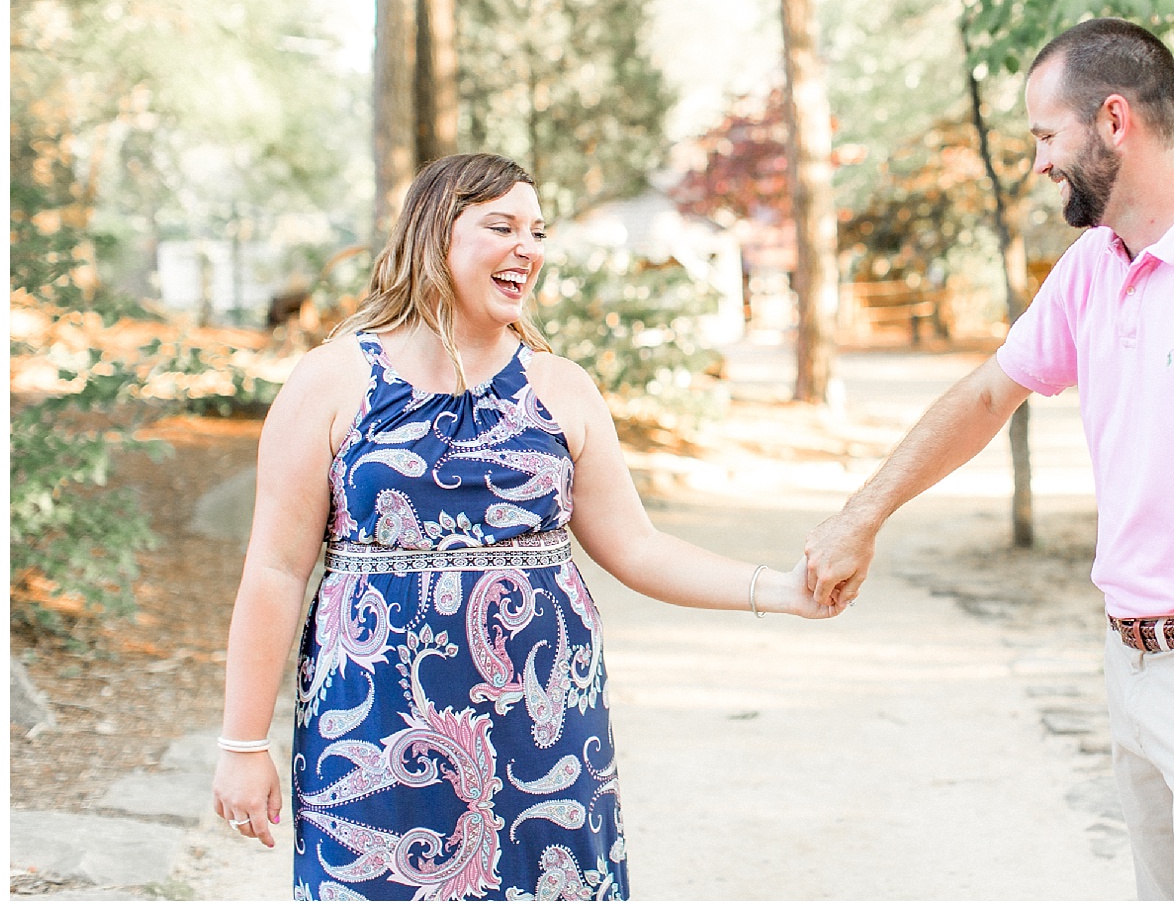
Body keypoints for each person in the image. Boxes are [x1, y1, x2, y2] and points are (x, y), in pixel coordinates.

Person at [213, 153, 838, 901]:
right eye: (501, 226)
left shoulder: (560, 387)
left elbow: (638, 548)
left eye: (537, 232)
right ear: (433, 237)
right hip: (376, 732)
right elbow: (276, 570)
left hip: (542, 734)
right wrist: (243, 743)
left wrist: (781, 589)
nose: (527, 248)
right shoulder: (332, 379)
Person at [804, 18, 1174, 900]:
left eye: (1047, 136)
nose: (1039, 161)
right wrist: (865, 512)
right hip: (1134, 661)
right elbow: (985, 395)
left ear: (1113, 120)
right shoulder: (1095, 264)